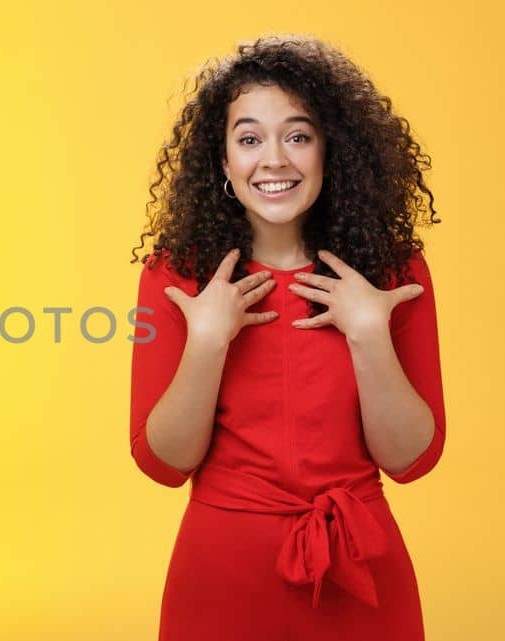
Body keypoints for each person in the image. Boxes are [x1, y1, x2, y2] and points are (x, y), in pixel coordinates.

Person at [128, 34, 447, 640]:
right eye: (249, 139)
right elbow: (163, 464)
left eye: (297, 136)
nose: (273, 159)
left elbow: (411, 460)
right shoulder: (176, 274)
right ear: (223, 162)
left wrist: (369, 334)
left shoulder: (394, 273)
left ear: (332, 151)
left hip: (363, 576)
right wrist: (206, 341)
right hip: (220, 580)